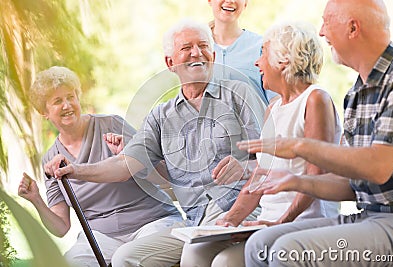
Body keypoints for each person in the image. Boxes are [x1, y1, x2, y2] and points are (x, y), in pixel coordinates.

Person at [44, 19, 264, 267]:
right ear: (170, 63)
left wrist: (244, 166)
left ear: (213, 55)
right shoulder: (161, 116)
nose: (196, 53)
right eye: (186, 48)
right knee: (126, 258)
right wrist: (76, 170)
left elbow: (271, 157)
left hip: (243, 209)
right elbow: (124, 165)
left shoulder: (239, 94)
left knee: (203, 258)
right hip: (193, 223)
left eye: (203, 46)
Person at [237, 0, 393, 266]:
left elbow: (379, 167)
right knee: (260, 245)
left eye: (327, 21)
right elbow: (352, 185)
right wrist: (295, 181)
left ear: (352, 28)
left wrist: (300, 146)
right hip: (368, 215)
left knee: (288, 251)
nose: (321, 33)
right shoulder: (356, 93)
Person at [180, 20, 342, 267]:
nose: (257, 63)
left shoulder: (315, 99)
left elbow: (315, 177)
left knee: (226, 262)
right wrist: (230, 220)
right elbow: (259, 176)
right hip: (269, 223)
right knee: (196, 253)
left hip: (305, 223)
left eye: (263, 54)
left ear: (283, 60)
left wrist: (279, 223)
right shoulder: (273, 109)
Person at [18, 66, 182, 267]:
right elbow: (61, 227)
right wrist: (36, 199)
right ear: (44, 112)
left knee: (126, 259)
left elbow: (162, 173)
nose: (67, 105)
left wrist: (129, 154)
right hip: (103, 238)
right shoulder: (50, 159)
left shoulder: (111, 124)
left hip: (151, 222)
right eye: (58, 101)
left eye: (71, 96)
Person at [208, 0, 277, 104]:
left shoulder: (262, 47)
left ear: (245, 3)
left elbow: (276, 100)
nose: (230, 1)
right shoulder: (196, 49)